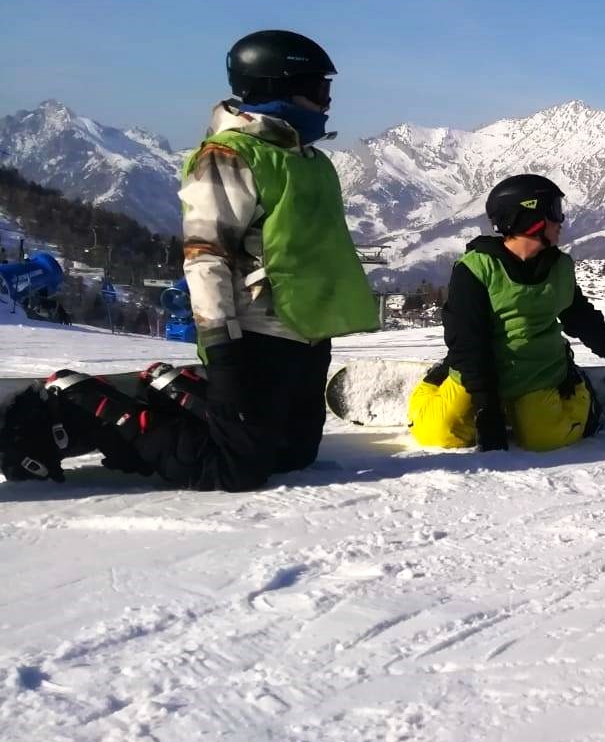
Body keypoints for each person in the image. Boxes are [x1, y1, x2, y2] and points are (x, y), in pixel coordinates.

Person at [2, 30, 379, 490]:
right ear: (279, 86)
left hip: (306, 331)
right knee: (233, 470)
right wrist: (222, 346)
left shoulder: (308, 160)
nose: (327, 101)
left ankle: (171, 389)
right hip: (253, 334)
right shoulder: (227, 157)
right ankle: (79, 399)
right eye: (319, 88)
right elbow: (206, 257)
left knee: (292, 455)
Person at [406, 174, 605, 452]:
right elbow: (467, 340)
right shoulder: (474, 269)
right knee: (440, 433)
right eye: (554, 211)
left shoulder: (559, 268)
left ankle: (585, 396)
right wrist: (487, 407)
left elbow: (582, 320)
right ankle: (435, 383)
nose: (561, 221)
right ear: (527, 219)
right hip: (478, 373)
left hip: (537, 373)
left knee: (545, 438)